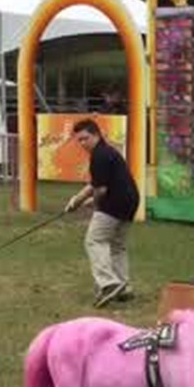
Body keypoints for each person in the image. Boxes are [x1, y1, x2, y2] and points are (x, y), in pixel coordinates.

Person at [64, 119, 139, 307]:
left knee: (94, 240)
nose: (82, 144)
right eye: (79, 140)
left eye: (85, 138)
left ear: (96, 134)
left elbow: (101, 191)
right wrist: (77, 201)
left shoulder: (99, 155)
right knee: (117, 245)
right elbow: (96, 184)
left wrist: (91, 204)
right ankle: (124, 287)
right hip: (130, 202)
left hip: (115, 202)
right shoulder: (107, 151)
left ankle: (108, 284)